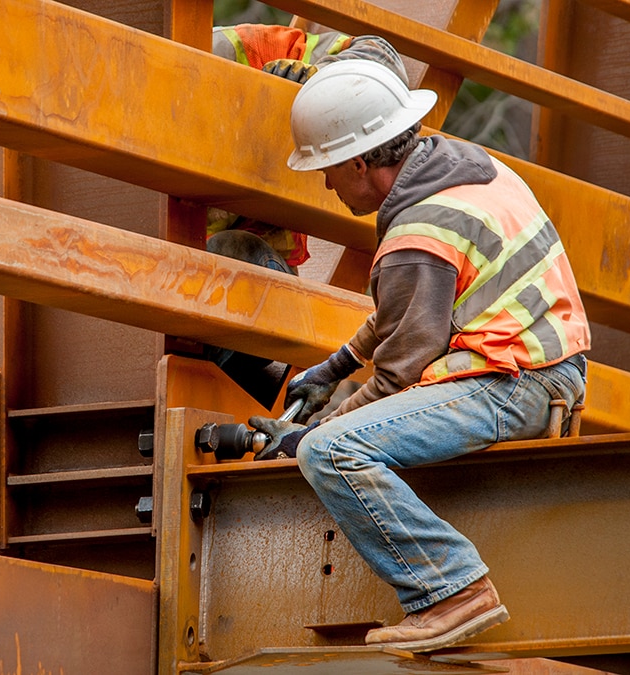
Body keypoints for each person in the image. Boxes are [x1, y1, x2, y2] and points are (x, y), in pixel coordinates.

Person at [248, 59, 592, 652]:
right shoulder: (467, 172)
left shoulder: (416, 233)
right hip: (542, 369)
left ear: (359, 161)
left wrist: (309, 433)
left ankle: (453, 591)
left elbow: (398, 376)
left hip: (514, 382)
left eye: (328, 169)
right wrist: (332, 369)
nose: (327, 184)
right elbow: (408, 308)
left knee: (331, 452)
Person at [209, 24, 409, 271]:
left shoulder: (241, 49)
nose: (328, 182)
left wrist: (320, 82)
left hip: (246, 262)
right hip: (174, 263)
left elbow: (381, 58)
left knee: (232, 250)